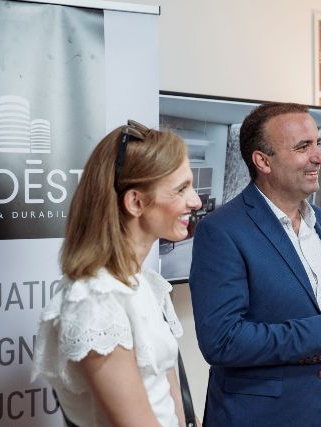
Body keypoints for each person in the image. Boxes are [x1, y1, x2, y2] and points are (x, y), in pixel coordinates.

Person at [189, 103, 321, 427]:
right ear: (263, 161)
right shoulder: (221, 231)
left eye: (317, 144)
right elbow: (222, 341)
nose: (320, 157)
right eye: (303, 147)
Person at [32, 120, 202, 427]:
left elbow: (170, 396)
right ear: (135, 202)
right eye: (181, 189)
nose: (196, 201)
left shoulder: (146, 284)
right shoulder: (95, 300)